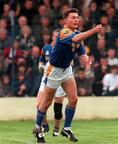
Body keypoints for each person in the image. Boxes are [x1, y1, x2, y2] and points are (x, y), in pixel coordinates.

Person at [33, 8, 103, 143]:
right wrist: (94, 30)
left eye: (77, 17)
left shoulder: (77, 35)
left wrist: (87, 62)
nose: (76, 19)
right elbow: (77, 38)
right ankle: (37, 129)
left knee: (74, 99)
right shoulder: (64, 32)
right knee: (46, 103)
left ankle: (66, 128)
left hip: (66, 70)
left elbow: (82, 56)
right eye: (73, 17)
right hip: (54, 71)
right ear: (65, 20)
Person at [37, 28, 65, 136]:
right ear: (52, 37)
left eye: (59, 37)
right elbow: (41, 60)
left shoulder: (64, 49)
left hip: (59, 79)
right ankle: (44, 125)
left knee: (57, 109)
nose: (57, 38)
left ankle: (57, 129)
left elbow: (70, 63)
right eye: (55, 36)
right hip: (46, 78)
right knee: (40, 104)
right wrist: (40, 65)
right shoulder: (46, 48)